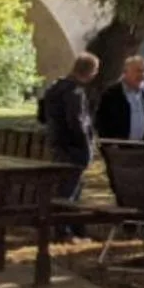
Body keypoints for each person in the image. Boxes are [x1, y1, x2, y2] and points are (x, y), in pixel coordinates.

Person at [37, 52, 99, 215]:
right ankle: (63, 228)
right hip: (73, 147)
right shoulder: (75, 92)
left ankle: (67, 227)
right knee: (69, 189)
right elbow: (77, 121)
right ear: (90, 72)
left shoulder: (54, 87)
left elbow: (41, 116)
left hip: (56, 142)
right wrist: (86, 146)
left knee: (64, 186)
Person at [94, 55, 144, 142]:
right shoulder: (111, 94)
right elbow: (101, 122)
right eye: (138, 71)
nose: (142, 74)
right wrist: (110, 144)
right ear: (125, 72)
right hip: (120, 148)